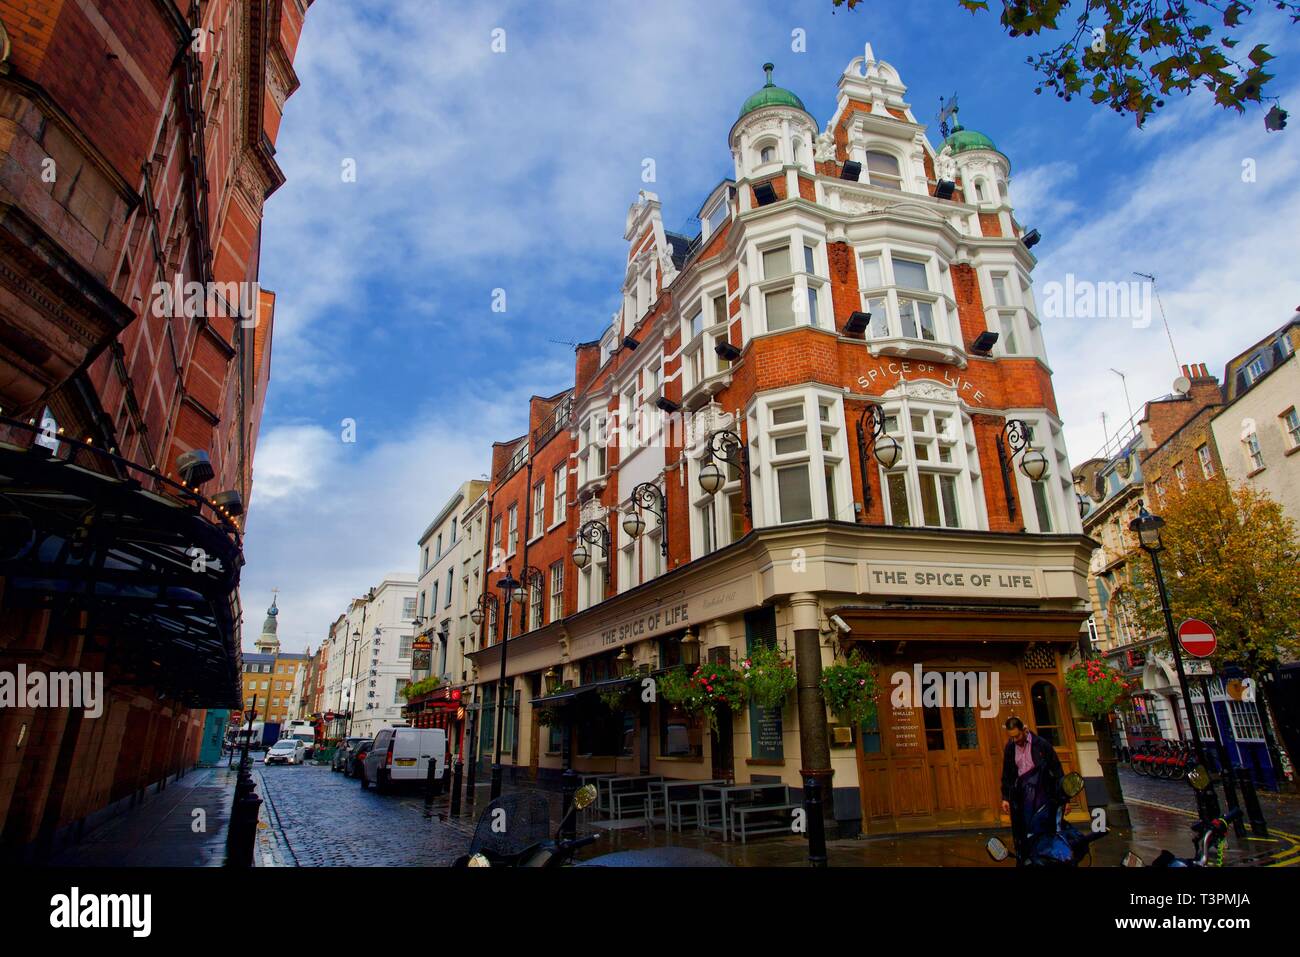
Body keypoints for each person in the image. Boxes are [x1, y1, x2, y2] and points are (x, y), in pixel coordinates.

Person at [999, 716, 1063, 864]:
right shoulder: (1010, 748)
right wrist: (1005, 797)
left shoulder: (1041, 745)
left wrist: (1063, 798)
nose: (1015, 740)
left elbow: (1057, 770)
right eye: (1011, 737)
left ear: (1025, 730)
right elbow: (1007, 774)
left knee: (1045, 830)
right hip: (1022, 795)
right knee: (1023, 832)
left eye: (1017, 735)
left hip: (1042, 793)